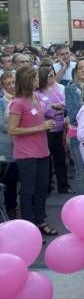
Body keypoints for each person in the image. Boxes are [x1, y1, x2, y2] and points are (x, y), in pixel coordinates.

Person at [8, 66, 56, 235]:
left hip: (42, 151)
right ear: (28, 81)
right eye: (35, 78)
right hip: (26, 154)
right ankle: (28, 227)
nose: (38, 81)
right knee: (28, 190)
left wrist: (46, 123)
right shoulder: (18, 103)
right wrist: (40, 127)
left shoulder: (36, 97)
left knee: (42, 187)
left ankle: (40, 220)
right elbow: (12, 130)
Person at [36, 65, 68, 195]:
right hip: (46, 130)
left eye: (53, 74)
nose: (53, 77)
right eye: (50, 75)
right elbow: (43, 109)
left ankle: (63, 186)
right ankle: (47, 186)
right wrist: (57, 109)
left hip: (59, 128)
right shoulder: (36, 93)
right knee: (47, 160)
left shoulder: (56, 89)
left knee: (60, 158)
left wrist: (57, 108)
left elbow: (65, 104)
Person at [65, 58, 84, 195]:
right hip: (78, 136)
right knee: (82, 173)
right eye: (80, 67)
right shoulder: (70, 89)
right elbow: (73, 116)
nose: (83, 70)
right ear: (76, 71)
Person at [0, 72, 18, 218]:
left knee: (17, 179)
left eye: (13, 82)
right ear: (3, 86)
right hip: (5, 147)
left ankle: (13, 207)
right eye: (8, 84)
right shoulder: (1, 102)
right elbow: (4, 125)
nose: (11, 86)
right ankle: (9, 209)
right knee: (8, 179)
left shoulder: (24, 99)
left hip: (22, 146)